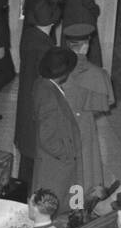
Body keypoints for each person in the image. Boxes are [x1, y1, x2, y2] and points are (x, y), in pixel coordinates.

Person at [61, 23, 116, 194]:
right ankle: (77, 205)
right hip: (83, 124)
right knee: (84, 166)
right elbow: (104, 104)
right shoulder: (98, 74)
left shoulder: (57, 69)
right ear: (85, 46)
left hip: (59, 124)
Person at [12, 0, 60, 190]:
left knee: (26, 153)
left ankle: (22, 195)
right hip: (39, 108)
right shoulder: (46, 49)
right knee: (36, 156)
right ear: (53, 22)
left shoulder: (30, 37)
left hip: (26, 102)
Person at [32, 47, 83, 215]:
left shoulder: (42, 84)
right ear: (64, 73)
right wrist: (67, 154)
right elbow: (47, 139)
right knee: (56, 204)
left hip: (53, 161)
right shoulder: (50, 99)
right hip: (56, 165)